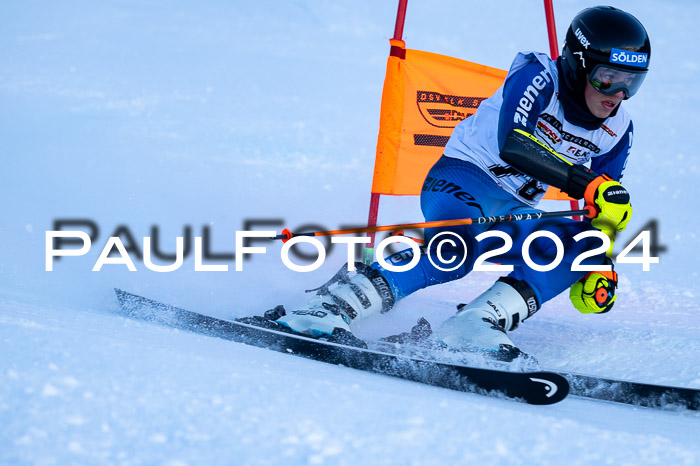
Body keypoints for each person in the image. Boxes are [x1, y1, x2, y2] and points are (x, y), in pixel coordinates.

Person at [266, 6, 651, 361]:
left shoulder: (618, 130)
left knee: (583, 244)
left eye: (631, 83)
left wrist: (603, 260)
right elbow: (513, 143)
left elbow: (599, 204)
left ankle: (474, 325)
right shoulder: (538, 77)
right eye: (607, 79)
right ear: (576, 65)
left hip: (513, 209)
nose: (617, 95)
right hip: (462, 179)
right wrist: (584, 182)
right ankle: (329, 308)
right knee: (455, 249)